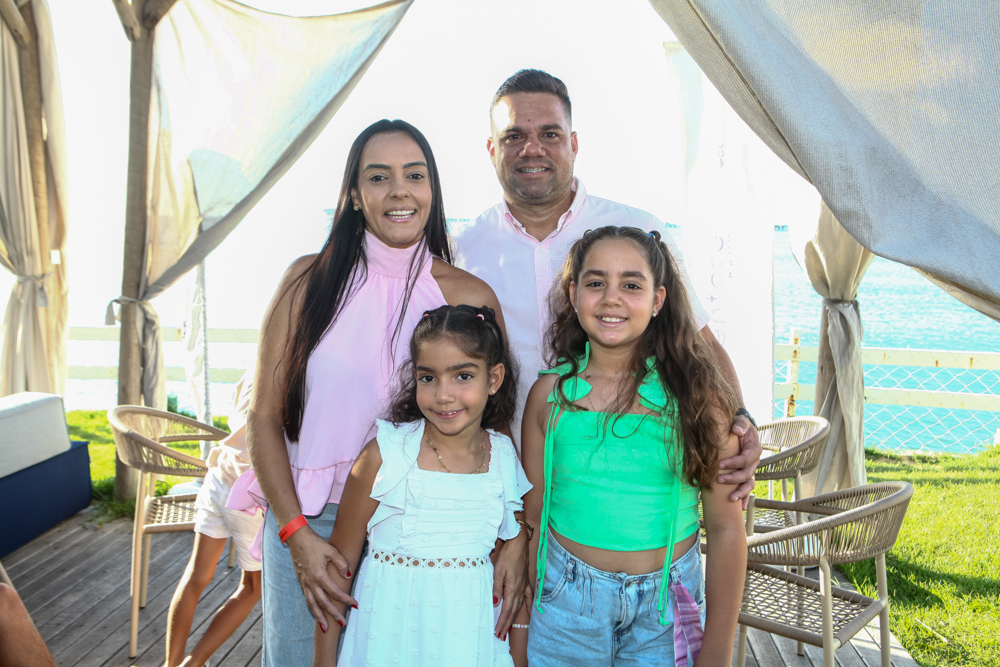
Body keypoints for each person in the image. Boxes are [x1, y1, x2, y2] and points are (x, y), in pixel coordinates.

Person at [229, 120, 528, 665]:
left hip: (430, 524)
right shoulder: (305, 282)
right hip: (313, 521)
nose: (398, 191)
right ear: (353, 194)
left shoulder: (470, 295)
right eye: (378, 176)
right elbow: (264, 417)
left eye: (414, 175)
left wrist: (516, 537)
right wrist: (296, 533)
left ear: (432, 189)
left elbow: (497, 427)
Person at [451, 69, 761, 501]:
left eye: (550, 134)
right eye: (514, 136)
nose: (532, 148)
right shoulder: (461, 250)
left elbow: (698, 341)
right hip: (492, 482)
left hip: (620, 484)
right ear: (492, 149)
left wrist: (741, 419)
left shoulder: (638, 231)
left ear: (574, 144)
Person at [520, 226, 747, 665]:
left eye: (631, 285)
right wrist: (526, 620)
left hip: (667, 610)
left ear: (658, 300)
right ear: (573, 294)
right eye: (595, 283)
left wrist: (717, 653)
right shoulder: (548, 397)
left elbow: (725, 530)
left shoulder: (699, 400)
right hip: (564, 608)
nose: (611, 298)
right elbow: (533, 517)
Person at [313, 304, 531, 666]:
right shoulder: (385, 455)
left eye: (463, 376)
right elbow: (337, 572)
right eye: (428, 378)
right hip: (387, 647)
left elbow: (511, 572)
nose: (443, 395)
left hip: (469, 649)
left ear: (494, 379)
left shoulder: (504, 458)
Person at [164, 371, 262, 667]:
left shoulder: (252, 368)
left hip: (219, 477)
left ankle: (171, 663)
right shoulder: (295, 373)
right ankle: (192, 664)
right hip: (248, 492)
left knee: (196, 576)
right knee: (252, 587)